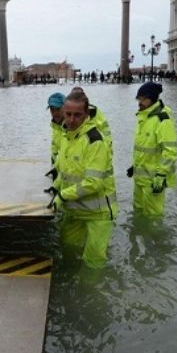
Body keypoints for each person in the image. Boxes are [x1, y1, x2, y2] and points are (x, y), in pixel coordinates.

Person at [48, 91, 117, 269]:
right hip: (74, 210)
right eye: (68, 114)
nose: (71, 120)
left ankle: (91, 292)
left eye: (77, 115)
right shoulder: (66, 137)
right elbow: (65, 171)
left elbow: (93, 183)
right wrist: (55, 187)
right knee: (68, 250)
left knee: (93, 262)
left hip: (98, 214)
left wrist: (62, 196)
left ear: (87, 114)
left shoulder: (95, 142)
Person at [126, 82, 177, 217]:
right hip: (139, 178)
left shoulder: (162, 120)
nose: (140, 102)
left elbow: (170, 151)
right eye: (139, 99)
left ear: (153, 98)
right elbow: (144, 148)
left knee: (153, 216)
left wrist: (161, 175)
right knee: (138, 212)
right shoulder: (143, 116)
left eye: (144, 99)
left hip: (154, 181)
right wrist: (134, 166)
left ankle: (153, 238)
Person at [46, 92, 66, 166]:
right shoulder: (56, 126)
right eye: (52, 109)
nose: (54, 113)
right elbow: (54, 146)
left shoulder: (72, 126)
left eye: (58, 109)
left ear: (65, 107)